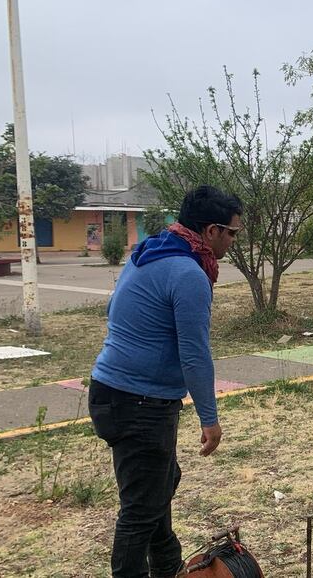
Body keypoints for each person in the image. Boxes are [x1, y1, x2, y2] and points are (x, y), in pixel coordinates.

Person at [88, 186, 243, 578]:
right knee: (141, 509)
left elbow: (113, 308)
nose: (233, 241)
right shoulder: (188, 273)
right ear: (211, 231)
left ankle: (169, 568)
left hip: (112, 392)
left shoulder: (150, 251)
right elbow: (194, 353)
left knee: (160, 485)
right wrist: (210, 418)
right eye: (232, 233)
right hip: (140, 401)